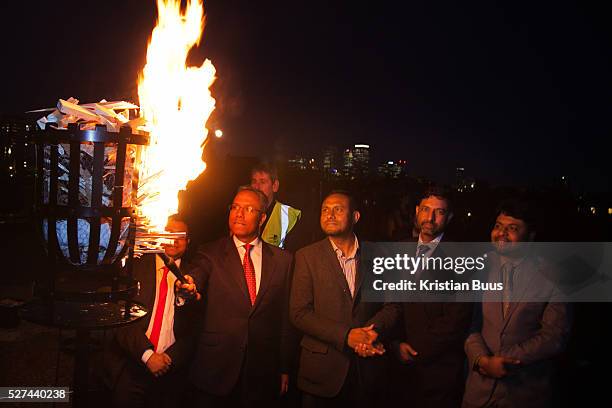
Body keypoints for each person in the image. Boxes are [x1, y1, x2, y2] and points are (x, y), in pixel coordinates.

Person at [176, 186, 294, 407]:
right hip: (215, 370)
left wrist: (284, 367)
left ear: (262, 218)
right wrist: (189, 285)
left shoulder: (283, 260)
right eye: (235, 207)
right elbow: (197, 274)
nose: (238, 213)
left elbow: (285, 320)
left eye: (248, 209)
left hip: (261, 373)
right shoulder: (210, 252)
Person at [290, 190, 399, 408]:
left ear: (355, 217)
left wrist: (371, 334)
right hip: (322, 374)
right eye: (325, 210)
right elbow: (299, 313)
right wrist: (347, 336)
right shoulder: (306, 256)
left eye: (338, 209)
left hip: (367, 372)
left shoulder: (381, 255)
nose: (329, 215)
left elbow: (393, 305)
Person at [463, 198, 572, 408]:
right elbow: (469, 323)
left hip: (525, 392)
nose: (501, 233)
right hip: (478, 392)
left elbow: (555, 335)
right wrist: (482, 360)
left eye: (512, 228)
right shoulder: (478, 268)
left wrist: (502, 359)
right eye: (498, 226)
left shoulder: (553, 275)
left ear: (530, 236)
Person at [389, 186, 473, 408]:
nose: (430, 217)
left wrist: (415, 349)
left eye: (439, 212)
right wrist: (395, 344)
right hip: (396, 367)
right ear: (417, 210)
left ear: (449, 217)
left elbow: (457, 320)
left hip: (438, 372)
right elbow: (390, 303)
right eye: (426, 209)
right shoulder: (398, 249)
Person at [102, 215, 193, 408]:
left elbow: (196, 327)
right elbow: (120, 313)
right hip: (132, 364)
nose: (173, 239)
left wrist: (169, 358)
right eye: (168, 232)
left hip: (171, 372)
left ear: (188, 242)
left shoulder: (193, 279)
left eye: (181, 235)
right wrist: (148, 355)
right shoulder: (135, 266)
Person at [250, 162, 304, 251]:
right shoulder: (241, 212)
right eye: (254, 181)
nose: (257, 187)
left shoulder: (289, 216)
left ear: (275, 186)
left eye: (262, 182)